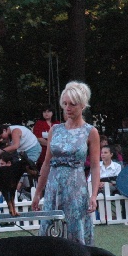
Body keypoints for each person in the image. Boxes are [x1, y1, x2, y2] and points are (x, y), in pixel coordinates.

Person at [31, 81, 100, 245]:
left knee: (74, 230)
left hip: (76, 186)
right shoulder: (56, 129)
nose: (67, 108)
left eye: (72, 104)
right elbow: (46, 163)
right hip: (53, 186)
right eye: (65, 104)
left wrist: (94, 195)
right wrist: (38, 192)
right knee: (49, 231)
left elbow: (96, 166)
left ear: (83, 105)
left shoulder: (90, 131)